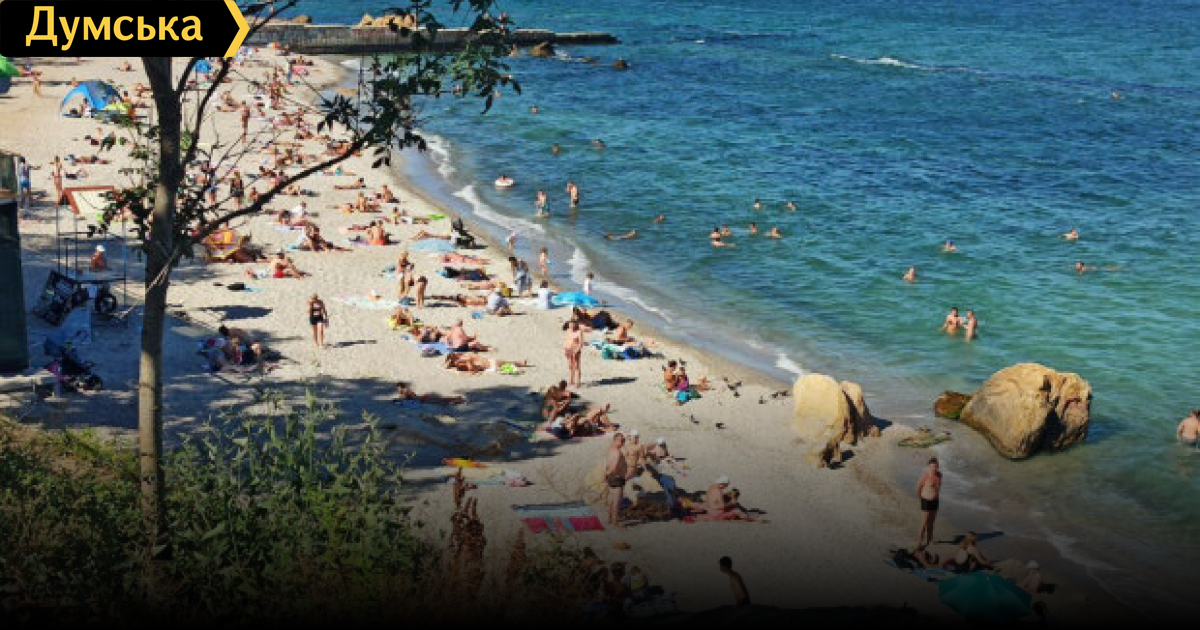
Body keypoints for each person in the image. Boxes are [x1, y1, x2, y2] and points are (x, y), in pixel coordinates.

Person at [605, 433, 629, 527]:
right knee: (616, 501)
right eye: (622, 441)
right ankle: (615, 523)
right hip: (617, 477)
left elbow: (607, 464)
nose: (623, 443)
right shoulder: (617, 453)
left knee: (610, 498)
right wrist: (608, 473)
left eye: (623, 440)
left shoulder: (610, 449)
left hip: (611, 477)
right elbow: (614, 468)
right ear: (616, 440)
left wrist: (606, 474)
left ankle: (609, 519)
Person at [916, 457, 941, 547]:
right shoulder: (925, 476)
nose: (934, 468)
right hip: (926, 501)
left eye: (936, 466)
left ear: (938, 466)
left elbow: (938, 487)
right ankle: (919, 541)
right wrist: (920, 499)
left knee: (931, 522)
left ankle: (930, 538)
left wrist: (936, 496)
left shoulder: (939, 475)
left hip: (935, 501)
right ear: (929, 466)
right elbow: (918, 488)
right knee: (924, 523)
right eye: (933, 466)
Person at [563, 319, 584, 388]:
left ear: (575, 325)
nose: (571, 326)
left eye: (572, 324)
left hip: (575, 350)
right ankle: (571, 380)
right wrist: (565, 349)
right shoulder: (568, 330)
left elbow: (581, 343)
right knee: (570, 366)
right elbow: (566, 340)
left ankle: (578, 382)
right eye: (570, 324)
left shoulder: (579, 332)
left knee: (577, 366)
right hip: (568, 349)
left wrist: (576, 351)